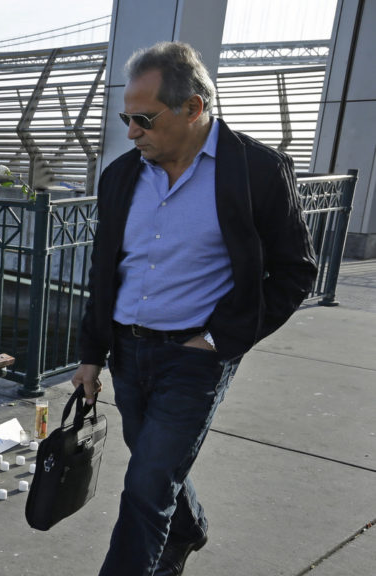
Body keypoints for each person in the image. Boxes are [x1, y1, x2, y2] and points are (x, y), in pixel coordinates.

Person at [71, 42, 316, 576]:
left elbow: (296, 272)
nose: (131, 131)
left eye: (144, 118)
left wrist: (217, 342)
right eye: (126, 118)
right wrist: (91, 353)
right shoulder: (119, 177)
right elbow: (104, 273)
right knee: (153, 468)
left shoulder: (257, 171)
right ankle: (187, 527)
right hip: (128, 353)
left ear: (194, 108)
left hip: (196, 357)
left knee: (145, 487)